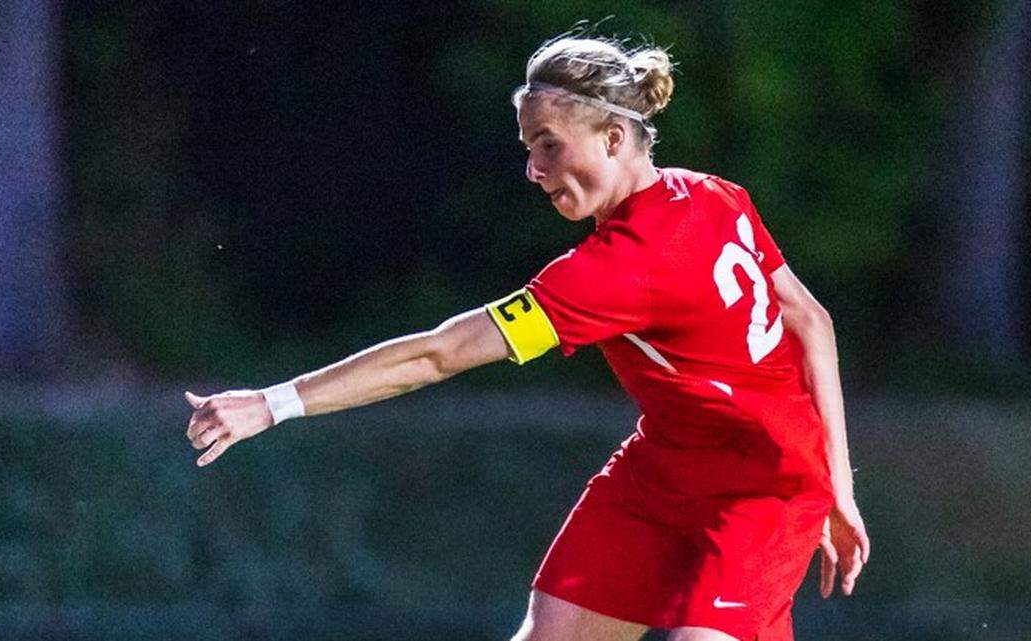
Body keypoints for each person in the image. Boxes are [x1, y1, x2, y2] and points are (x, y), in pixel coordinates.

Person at [184, 34, 870, 641]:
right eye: (528, 149)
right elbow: (814, 320)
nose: (533, 170)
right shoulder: (715, 194)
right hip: (664, 472)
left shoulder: (615, 272)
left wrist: (272, 402)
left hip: (763, 487)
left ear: (611, 137)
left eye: (549, 145)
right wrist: (844, 487)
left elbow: (438, 353)